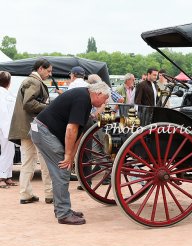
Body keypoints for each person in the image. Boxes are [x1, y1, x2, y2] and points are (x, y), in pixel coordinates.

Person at [31, 82, 110, 225]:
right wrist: (67, 156)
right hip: (44, 131)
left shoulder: (85, 99)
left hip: (43, 130)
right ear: (97, 93)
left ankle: (62, 209)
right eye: (105, 98)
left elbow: (79, 133)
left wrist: (72, 155)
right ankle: (63, 213)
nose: (106, 101)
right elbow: (71, 129)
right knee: (62, 170)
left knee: (62, 169)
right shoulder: (82, 99)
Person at [8, 58, 53, 204]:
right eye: (48, 70)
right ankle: (49, 193)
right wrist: (48, 107)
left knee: (28, 161)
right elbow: (29, 103)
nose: (49, 74)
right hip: (33, 126)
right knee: (45, 159)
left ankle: (25, 194)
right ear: (40, 69)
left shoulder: (31, 81)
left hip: (27, 127)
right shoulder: (34, 81)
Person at [0, 71, 17, 189]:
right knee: (6, 152)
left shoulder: (8, 94)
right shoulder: (3, 94)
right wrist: (7, 131)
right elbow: (3, 114)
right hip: (4, 128)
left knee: (10, 152)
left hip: (8, 127)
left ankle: (8, 176)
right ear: (9, 82)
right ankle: (2, 177)